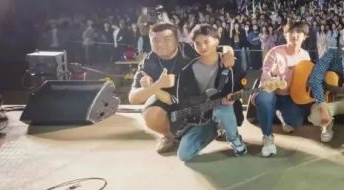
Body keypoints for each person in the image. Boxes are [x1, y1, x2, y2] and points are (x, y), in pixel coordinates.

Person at [128, 22, 237, 153]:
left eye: (167, 39)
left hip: (196, 95)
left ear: (176, 39)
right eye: (155, 40)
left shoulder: (190, 49)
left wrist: (228, 53)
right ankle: (169, 137)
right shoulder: (148, 63)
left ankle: (217, 124)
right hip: (167, 99)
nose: (160, 44)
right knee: (151, 114)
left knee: (217, 84)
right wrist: (156, 85)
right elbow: (133, 98)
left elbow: (223, 47)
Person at [175, 24, 247, 161]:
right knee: (184, 155)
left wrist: (233, 97)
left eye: (206, 42)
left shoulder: (231, 64)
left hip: (225, 111)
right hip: (201, 116)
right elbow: (183, 101)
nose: (202, 47)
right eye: (197, 43)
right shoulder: (187, 71)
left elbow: (242, 91)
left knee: (223, 108)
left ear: (216, 41)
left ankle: (234, 139)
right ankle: (217, 129)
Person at [253, 21, 312, 157]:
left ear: (304, 37)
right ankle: (268, 137)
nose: (295, 35)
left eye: (299, 32)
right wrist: (271, 79)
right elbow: (265, 73)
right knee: (264, 100)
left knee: (296, 121)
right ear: (285, 35)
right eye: (291, 32)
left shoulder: (305, 55)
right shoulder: (275, 52)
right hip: (271, 91)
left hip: (288, 96)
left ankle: (276, 113)